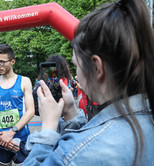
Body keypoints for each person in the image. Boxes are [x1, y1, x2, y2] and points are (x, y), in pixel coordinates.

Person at [23, 0, 154, 165]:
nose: (76, 75)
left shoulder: (79, 154)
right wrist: (71, 113)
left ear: (97, 67)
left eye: (76, 65)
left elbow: (84, 148)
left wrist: (48, 126)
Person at [0, 43, 35, 166]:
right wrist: (0, 137)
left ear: (12, 61)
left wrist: (11, 132)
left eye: (2, 62)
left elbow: (30, 111)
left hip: (20, 137)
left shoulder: (24, 81)